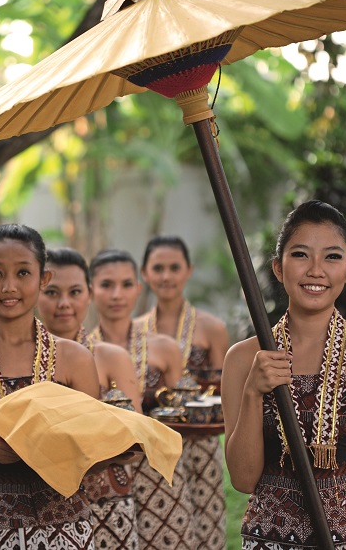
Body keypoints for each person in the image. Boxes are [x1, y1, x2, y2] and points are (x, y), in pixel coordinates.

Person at [222, 200, 346, 549]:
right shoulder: (243, 358)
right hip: (267, 542)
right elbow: (244, 479)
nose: (315, 270)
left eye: (332, 257)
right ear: (278, 267)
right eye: (301, 255)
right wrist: (253, 391)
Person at [0, 224, 102, 550]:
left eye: (23, 272)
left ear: (44, 280)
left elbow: (90, 454)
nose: (9, 286)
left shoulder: (74, 359)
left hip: (65, 528)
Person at [88, 248, 194, 550]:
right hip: (105, 478)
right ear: (91, 290)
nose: (116, 294)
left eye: (125, 285)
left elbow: (182, 413)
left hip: (159, 474)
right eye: (106, 285)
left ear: (137, 288)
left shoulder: (165, 348)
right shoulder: (81, 352)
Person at [37, 246, 142, 550]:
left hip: (108, 503)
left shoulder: (110, 358)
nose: (64, 303)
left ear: (89, 294)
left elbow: (136, 442)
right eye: (52, 292)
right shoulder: (18, 362)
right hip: (38, 504)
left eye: (75, 291)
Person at [140, 235, 229, 550]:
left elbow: (221, 397)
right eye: (158, 268)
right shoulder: (136, 330)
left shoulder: (211, 328)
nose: (166, 276)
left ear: (188, 270)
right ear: (145, 273)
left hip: (201, 445)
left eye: (174, 267)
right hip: (154, 448)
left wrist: (161, 402)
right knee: (163, 532)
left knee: (206, 527)